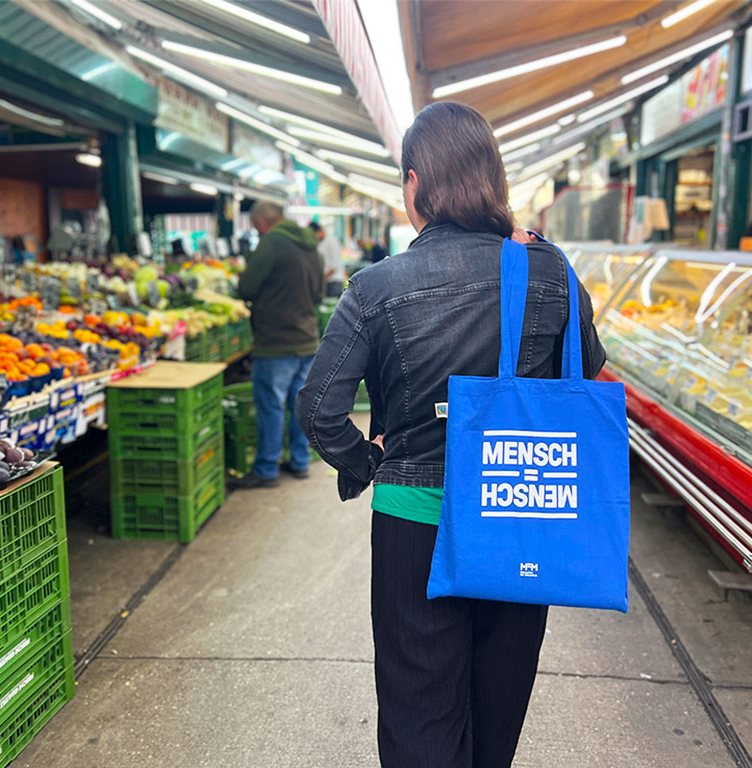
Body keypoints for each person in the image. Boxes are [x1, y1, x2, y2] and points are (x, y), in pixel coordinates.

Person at [297, 102, 606, 768]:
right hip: (522, 511)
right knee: (498, 708)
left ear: (415, 184)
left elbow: (320, 409)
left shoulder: (377, 286)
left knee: (418, 709)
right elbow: (589, 377)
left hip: (414, 523)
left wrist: (366, 461)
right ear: (492, 180)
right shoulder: (549, 272)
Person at [234, 201, 323, 488]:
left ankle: (266, 468)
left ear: (261, 223)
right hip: (307, 339)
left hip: (276, 343)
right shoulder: (312, 246)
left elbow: (246, 287)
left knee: (270, 407)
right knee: (299, 405)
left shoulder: (271, 244)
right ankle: (299, 461)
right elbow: (319, 293)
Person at [308, 221, 347, 298]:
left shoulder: (331, 241)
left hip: (334, 282)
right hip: (327, 282)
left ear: (319, 231)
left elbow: (334, 266)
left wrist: (320, 279)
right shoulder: (320, 243)